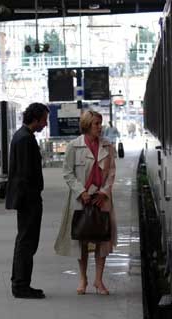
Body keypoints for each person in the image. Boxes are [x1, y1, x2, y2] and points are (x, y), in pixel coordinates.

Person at [54, 110, 117, 296]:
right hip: (81, 199)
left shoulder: (108, 146)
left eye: (100, 123)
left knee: (102, 239)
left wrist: (104, 192)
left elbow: (112, 172)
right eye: (96, 124)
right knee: (81, 238)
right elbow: (67, 172)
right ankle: (83, 279)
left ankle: (99, 280)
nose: (100, 127)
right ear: (87, 125)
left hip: (101, 199)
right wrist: (81, 191)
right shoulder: (74, 146)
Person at [5, 102, 49, 299]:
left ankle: (19, 282)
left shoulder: (22, 136)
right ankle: (21, 285)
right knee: (27, 242)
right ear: (36, 118)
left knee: (25, 241)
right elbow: (24, 173)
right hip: (28, 199)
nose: (45, 124)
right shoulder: (25, 140)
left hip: (27, 198)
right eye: (44, 120)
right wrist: (31, 197)